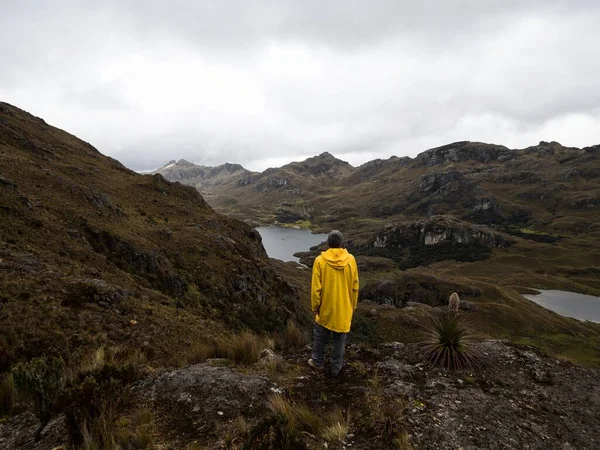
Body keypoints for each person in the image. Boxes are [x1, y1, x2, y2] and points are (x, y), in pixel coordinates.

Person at [308, 230, 359, 376]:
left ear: (328, 243)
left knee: (320, 335)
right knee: (339, 340)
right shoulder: (351, 260)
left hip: (326, 307)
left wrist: (315, 306)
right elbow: (355, 286)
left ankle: (317, 362)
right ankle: (336, 368)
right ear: (341, 243)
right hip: (344, 308)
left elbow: (316, 289)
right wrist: (353, 306)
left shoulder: (320, 261)